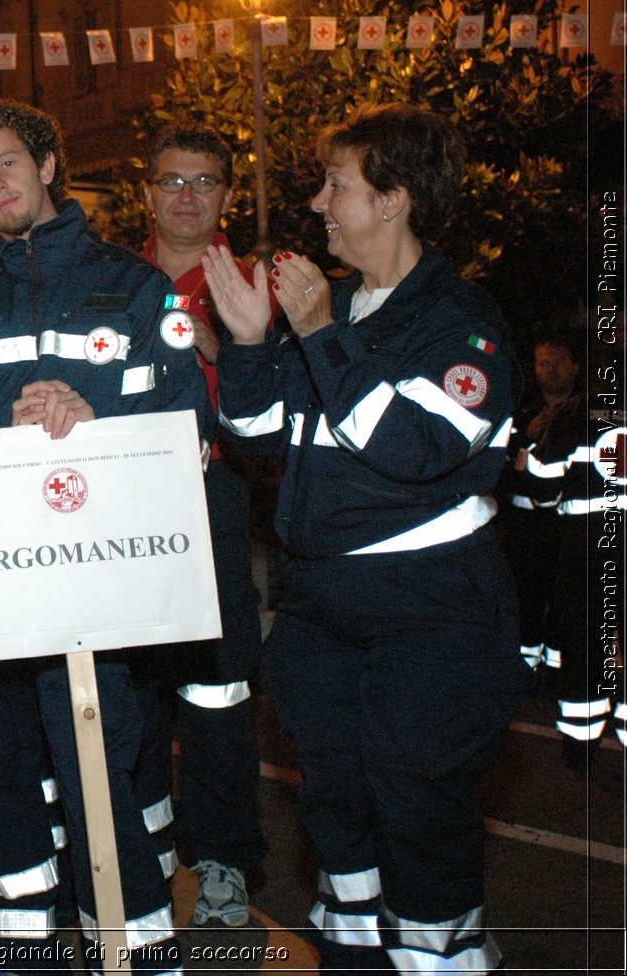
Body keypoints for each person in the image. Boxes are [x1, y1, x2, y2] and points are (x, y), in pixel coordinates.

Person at [204, 102, 531, 974]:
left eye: (336, 186)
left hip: (431, 610)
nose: (317, 204)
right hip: (319, 604)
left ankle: (441, 960)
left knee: (418, 807)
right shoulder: (336, 304)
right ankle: (353, 953)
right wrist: (245, 343)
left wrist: (317, 336)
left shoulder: (461, 319)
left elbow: (416, 450)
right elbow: (256, 430)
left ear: (394, 199)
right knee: (336, 803)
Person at [0, 100, 213, 975]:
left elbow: (188, 421)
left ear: (46, 164)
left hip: (94, 591)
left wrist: (93, 411)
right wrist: (7, 417)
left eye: (5, 164)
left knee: (98, 789)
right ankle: (24, 952)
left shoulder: (138, 287)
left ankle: (141, 955)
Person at [130, 126, 268, 925]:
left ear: (225, 196)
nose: (186, 195)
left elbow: (284, 423)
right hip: (125, 508)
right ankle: (142, 854)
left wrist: (234, 352)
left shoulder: (262, 286)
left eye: (204, 182)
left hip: (210, 501)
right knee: (132, 695)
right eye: (172, 180)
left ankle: (223, 865)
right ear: (148, 192)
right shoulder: (112, 282)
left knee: (217, 698)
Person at [507, 332, 623, 788]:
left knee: (583, 644)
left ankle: (581, 749)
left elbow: (543, 485)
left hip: (587, 548)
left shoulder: (577, 412)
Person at [503, 334, 582, 675]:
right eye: (543, 363)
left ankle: (559, 667)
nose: (550, 371)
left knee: (568, 600)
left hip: (568, 524)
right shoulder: (519, 410)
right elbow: (499, 465)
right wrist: (525, 437)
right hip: (525, 526)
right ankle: (525, 668)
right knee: (526, 597)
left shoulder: (586, 413)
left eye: (558, 362)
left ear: (575, 367)